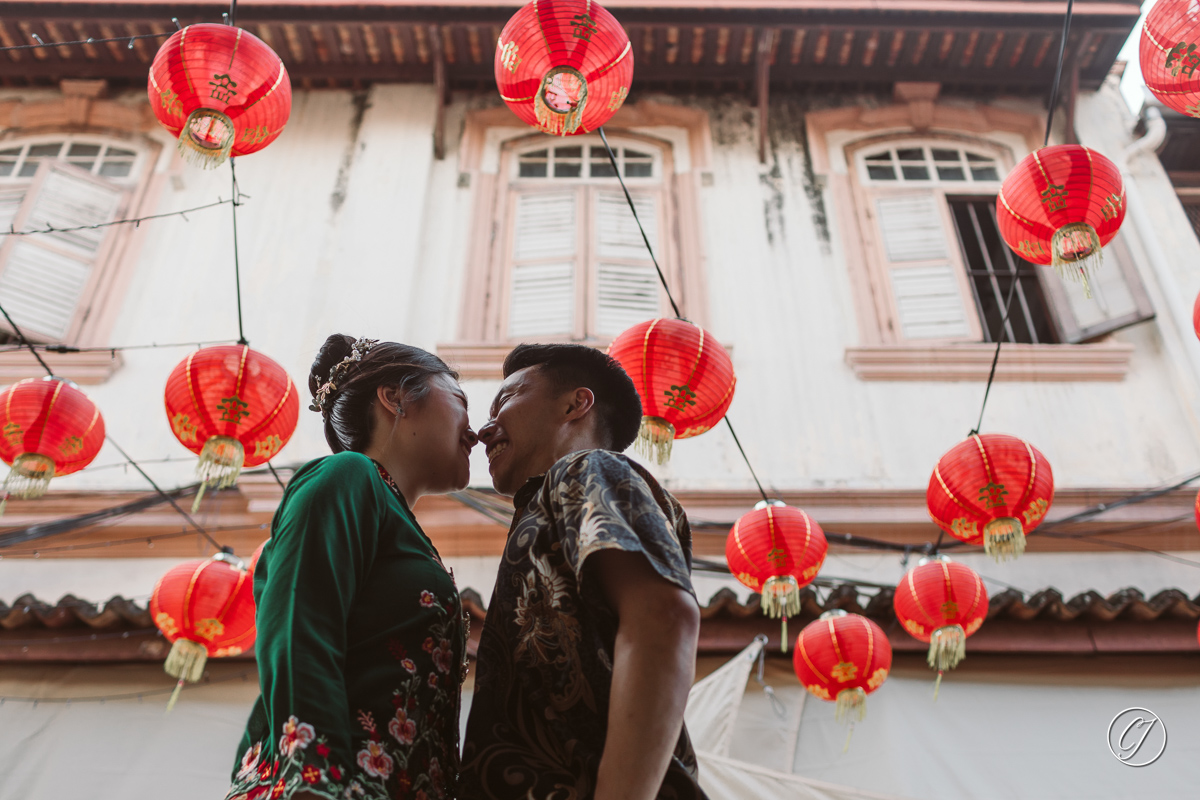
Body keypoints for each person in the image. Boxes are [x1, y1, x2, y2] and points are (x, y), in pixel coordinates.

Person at [225, 335, 477, 800]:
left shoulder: (401, 525)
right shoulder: (347, 476)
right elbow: (299, 625)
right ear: (394, 397)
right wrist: (313, 779)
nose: (475, 429)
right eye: (460, 400)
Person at [460, 344, 708, 800]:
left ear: (576, 404)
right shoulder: (548, 503)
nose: (483, 428)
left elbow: (664, 616)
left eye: (507, 400)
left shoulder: (585, 468)